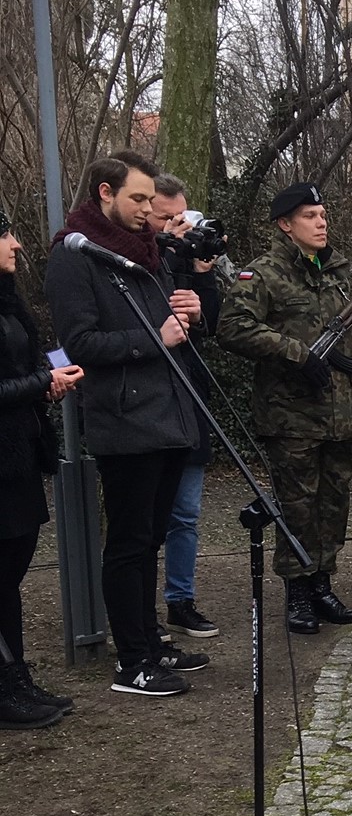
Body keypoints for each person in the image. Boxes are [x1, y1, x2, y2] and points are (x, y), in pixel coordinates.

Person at [45, 151, 212, 696]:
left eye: (149, 200)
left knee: (152, 538)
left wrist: (191, 311)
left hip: (171, 414)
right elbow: (83, 344)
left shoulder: (148, 253)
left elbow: (172, 328)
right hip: (124, 418)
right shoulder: (75, 256)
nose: (148, 209)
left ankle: (151, 641)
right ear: (104, 194)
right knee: (130, 541)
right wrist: (156, 338)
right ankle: (132, 662)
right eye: (137, 199)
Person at [219, 183, 352, 634]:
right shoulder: (263, 275)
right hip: (292, 416)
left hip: (340, 412)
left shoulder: (335, 271)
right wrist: (297, 352)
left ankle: (323, 584)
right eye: (310, 215)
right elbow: (233, 328)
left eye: (323, 214)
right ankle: (298, 594)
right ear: (286, 225)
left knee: (333, 505)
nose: (321, 222)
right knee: (296, 508)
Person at [0, 205, 84, 727]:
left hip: (19, 459)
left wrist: (46, 384)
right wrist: (38, 384)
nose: (16, 244)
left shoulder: (9, 303)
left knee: (9, 578)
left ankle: (16, 678)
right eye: (5, 235)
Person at [147, 173, 224, 638]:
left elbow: (211, 326)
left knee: (186, 513)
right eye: (167, 218)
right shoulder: (136, 260)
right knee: (145, 519)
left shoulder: (187, 259)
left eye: (183, 217)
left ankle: (180, 599)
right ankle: (138, 613)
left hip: (190, 397)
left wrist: (201, 278)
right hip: (146, 406)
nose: (179, 227)